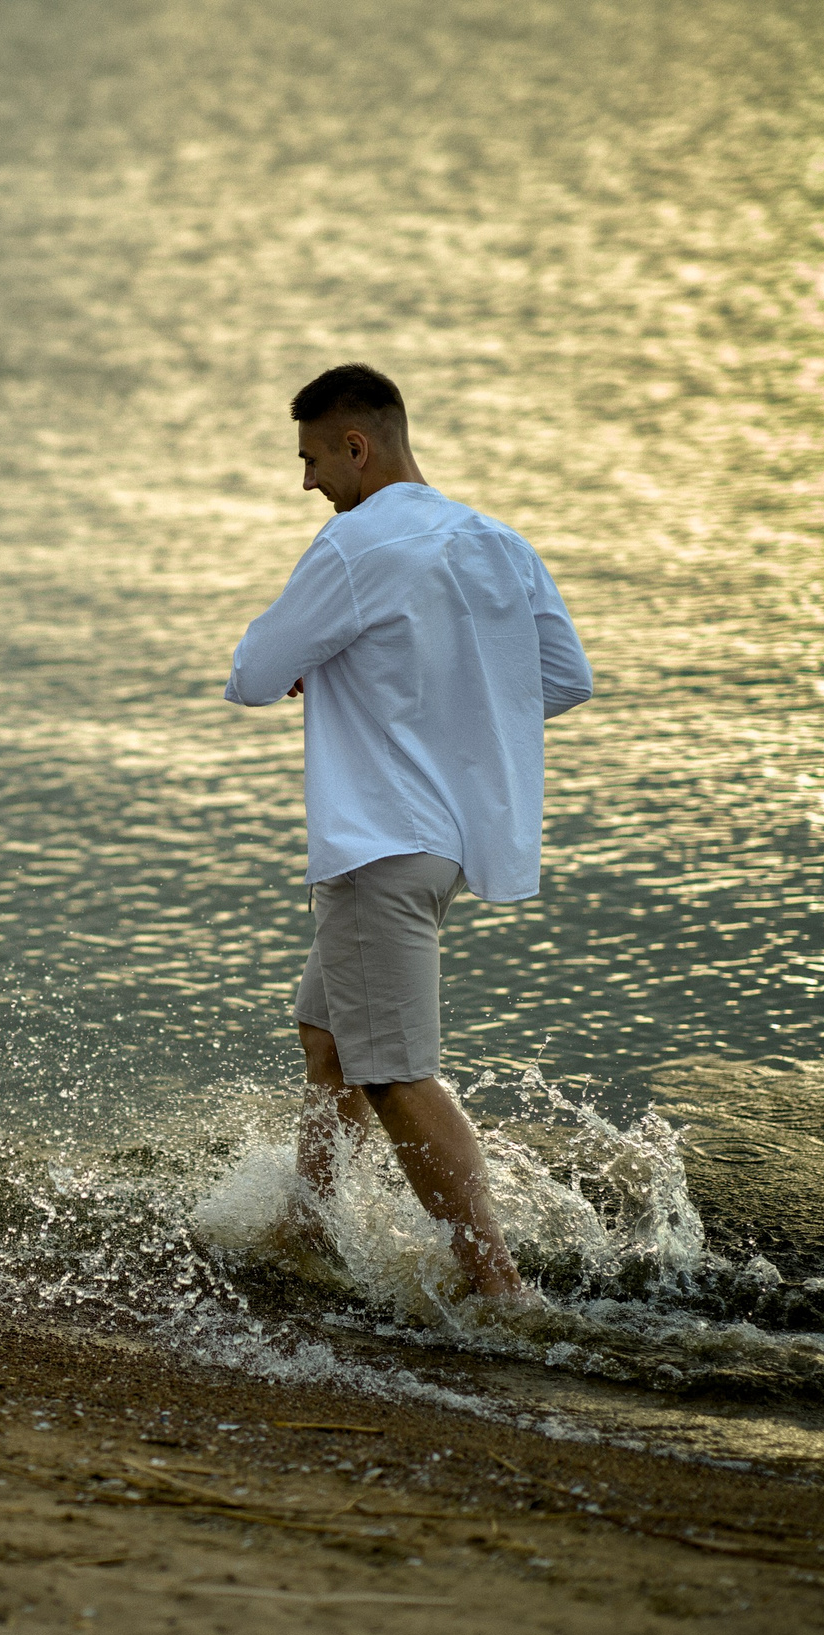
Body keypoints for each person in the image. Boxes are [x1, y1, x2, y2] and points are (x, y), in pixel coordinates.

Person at [224, 364, 592, 1299]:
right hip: (449, 842)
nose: (307, 483)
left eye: (311, 459)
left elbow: (256, 671)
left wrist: (338, 670)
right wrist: (449, 711)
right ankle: (307, 1219)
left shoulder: (353, 546)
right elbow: (562, 677)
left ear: (357, 445)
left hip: (379, 842)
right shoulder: (497, 541)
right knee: (329, 1032)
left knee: (396, 1075)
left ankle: (493, 1282)